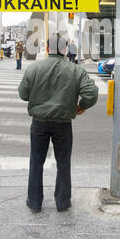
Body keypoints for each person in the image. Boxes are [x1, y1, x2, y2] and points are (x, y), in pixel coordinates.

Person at [18, 34, 98, 213]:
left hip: (39, 123)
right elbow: (91, 94)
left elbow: (23, 94)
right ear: (65, 49)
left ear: (47, 48)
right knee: (63, 162)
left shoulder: (34, 68)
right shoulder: (75, 70)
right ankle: (62, 202)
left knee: (36, 162)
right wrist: (80, 107)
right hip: (63, 123)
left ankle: (34, 202)